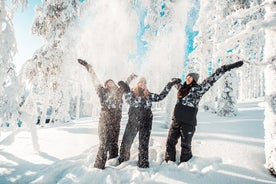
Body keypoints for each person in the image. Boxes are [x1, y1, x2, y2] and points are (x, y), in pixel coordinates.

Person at [165, 61, 244, 163]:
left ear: (194, 79)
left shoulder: (199, 89)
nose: (188, 78)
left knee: (185, 146)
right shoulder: (181, 88)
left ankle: (185, 166)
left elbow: (213, 78)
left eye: (190, 77)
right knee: (170, 143)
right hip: (176, 121)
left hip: (188, 123)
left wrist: (227, 67)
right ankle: (169, 162)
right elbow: (173, 81)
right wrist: (175, 80)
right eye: (187, 77)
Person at [78, 58, 137, 169]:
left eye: (112, 82)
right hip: (104, 121)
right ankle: (98, 167)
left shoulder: (119, 92)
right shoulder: (102, 92)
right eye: (108, 83)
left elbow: (125, 84)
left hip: (116, 122)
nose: (110, 84)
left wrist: (131, 77)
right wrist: (88, 67)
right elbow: (94, 80)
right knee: (103, 144)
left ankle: (113, 164)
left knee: (114, 144)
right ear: (106, 86)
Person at [117, 77, 181, 168]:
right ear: (137, 84)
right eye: (140, 82)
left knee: (143, 144)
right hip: (133, 122)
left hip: (146, 122)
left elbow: (160, 97)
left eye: (144, 83)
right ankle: (123, 162)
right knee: (126, 143)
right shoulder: (131, 94)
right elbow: (130, 101)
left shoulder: (148, 95)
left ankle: (143, 164)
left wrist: (169, 85)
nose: (142, 84)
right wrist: (126, 89)